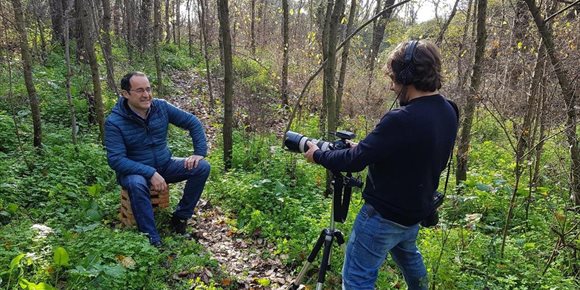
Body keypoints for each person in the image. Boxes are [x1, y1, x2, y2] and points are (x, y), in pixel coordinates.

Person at [304, 40, 458, 289]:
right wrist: (369, 150)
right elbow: (418, 154)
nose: (392, 86)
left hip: (382, 217)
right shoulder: (449, 111)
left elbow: (354, 162)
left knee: (357, 279)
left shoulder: (401, 119)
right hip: (414, 212)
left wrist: (319, 155)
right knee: (411, 260)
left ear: (407, 76)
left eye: (395, 78)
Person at [105, 72, 210, 247]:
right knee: (137, 183)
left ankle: (180, 218)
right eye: (139, 90)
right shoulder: (114, 122)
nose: (146, 95)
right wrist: (150, 172)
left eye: (148, 89)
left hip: (164, 165)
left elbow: (193, 122)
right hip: (134, 173)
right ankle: (152, 238)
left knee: (202, 167)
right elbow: (116, 160)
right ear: (125, 94)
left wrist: (199, 152)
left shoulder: (161, 107)